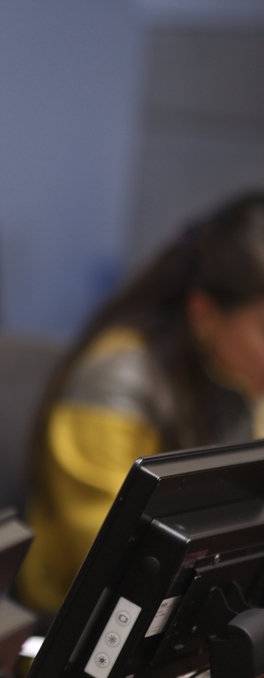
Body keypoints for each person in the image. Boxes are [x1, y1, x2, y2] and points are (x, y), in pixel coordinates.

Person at [18, 190, 264, 615]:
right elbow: (113, 565)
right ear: (203, 313)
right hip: (77, 628)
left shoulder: (235, 375)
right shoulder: (114, 384)